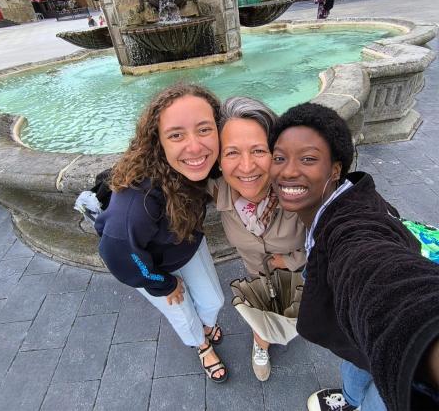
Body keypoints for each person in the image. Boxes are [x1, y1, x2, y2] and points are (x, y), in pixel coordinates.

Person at [270, 102, 439, 411]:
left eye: (308, 159)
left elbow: (373, 268)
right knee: (356, 363)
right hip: (359, 339)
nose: (288, 170)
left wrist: (425, 335)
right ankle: (350, 399)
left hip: (401, 368)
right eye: (279, 158)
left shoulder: (350, 226)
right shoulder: (354, 192)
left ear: (335, 169)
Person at [95, 83, 228, 383]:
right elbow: (117, 252)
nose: (195, 147)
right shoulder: (136, 200)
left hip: (185, 243)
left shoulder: (201, 165)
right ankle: (202, 345)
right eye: (176, 135)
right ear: (158, 141)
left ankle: (207, 326)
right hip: (151, 265)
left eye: (205, 129)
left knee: (214, 302)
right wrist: (162, 283)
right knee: (183, 315)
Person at [208, 96, 306, 381]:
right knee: (262, 311)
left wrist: (291, 259)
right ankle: (261, 341)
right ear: (219, 158)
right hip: (256, 275)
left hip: (303, 272)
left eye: (258, 150)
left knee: (298, 312)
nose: (247, 166)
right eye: (232, 152)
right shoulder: (217, 190)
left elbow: (331, 239)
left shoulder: (301, 188)